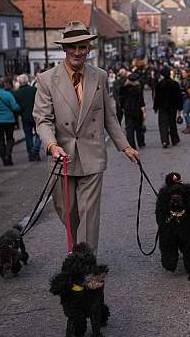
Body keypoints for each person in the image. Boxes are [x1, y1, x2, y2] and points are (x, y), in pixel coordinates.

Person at [33, 21, 139, 253]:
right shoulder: (47, 79)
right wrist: (51, 145)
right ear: (65, 49)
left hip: (92, 154)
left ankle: (85, 260)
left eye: (82, 47)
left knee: (89, 212)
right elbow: (42, 120)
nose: (78, 52)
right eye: (73, 47)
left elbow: (109, 116)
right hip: (62, 156)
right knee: (67, 211)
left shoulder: (99, 76)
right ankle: (78, 246)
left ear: (89, 49)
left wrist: (125, 146)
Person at [0, 77, 21, 166]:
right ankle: (8, 154)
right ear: (4, 85)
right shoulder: (8, 94)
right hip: (9, 120)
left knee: (0, 140)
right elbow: (14, 107)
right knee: (10, 139)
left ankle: (4, 159)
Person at [14, 74, 42, 161]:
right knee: (40, 134)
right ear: (27, 81)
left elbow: (16, 107)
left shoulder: (17, 93)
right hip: (36, 116)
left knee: (28, 136)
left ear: (19, 82)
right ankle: (35, 149)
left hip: (25, 117)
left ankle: (31, 154)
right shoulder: (34, 90)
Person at [154, 67, 182, 148]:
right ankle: (174, 139)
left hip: (162, 107)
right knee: (172, 123)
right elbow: (179, 97)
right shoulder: (175, 84)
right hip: (173, 107)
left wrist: (155, 107)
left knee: (163, 124)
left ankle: (165, 140)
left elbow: (157, 97)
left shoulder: (159, 84)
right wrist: (180, 108)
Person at [119, 72, 146, 149]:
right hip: (137, 111)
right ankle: (141, 142)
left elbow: (121, 99)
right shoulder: (138, 89)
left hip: (128, 110)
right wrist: (144, 111)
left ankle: (131, 145)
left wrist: (123, 107)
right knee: (139, 127)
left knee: (129, 128)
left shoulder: (123, 88)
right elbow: (141, 101)